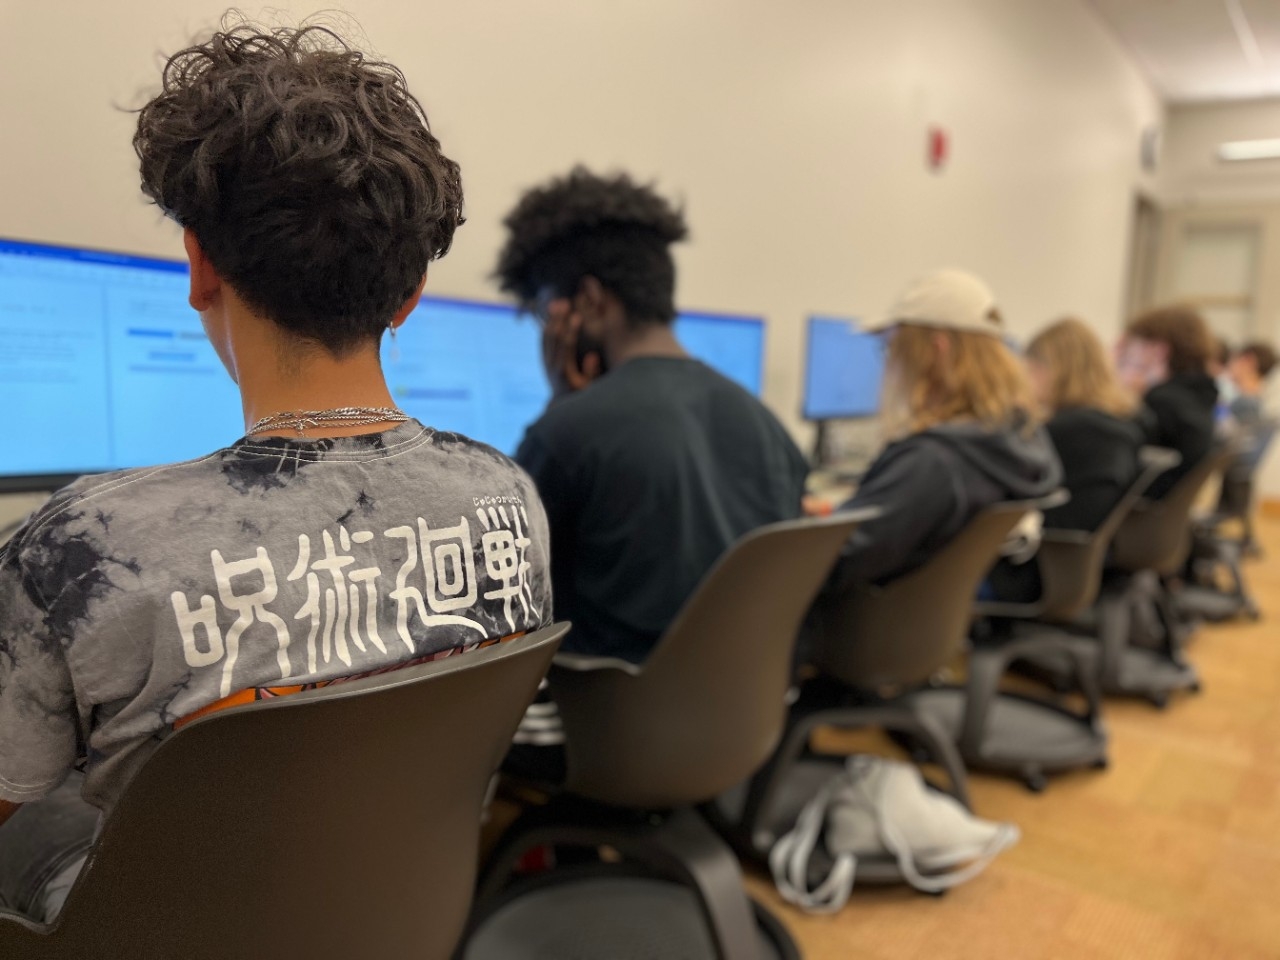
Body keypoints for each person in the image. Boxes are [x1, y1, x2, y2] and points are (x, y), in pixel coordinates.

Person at [0, 22, 551, 923]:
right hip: (390, 911)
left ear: (200, 267)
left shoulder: (76, 552)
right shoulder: (509, 499)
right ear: (410, 292)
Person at [494, 167, 809, 778]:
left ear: (586, 303)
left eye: (542, 313)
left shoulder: (569, 433)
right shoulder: (768, 426)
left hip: (612, 734)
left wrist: (562, 405)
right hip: (745, 719)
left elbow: (504, 602)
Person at [825, 269, 1061, 594]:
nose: (889, 364)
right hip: (923, 625)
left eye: (893, 348)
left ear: (937, 351)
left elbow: (831, 562)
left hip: (863, 626)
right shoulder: (1021, 435)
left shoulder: (932, 461)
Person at [989, 317, 1143, 602]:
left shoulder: (1064, 430)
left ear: (1052, 369)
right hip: (1069, 569)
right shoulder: (1120, 424)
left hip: (1029, 572)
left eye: (1029, 369)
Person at [1116, 305, 1218, 500]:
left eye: (1135, 343)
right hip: (1166, 514)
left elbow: (1118, 459)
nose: (1128, 352)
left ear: (1158, 350)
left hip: (1141, 510)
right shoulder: (1198, 395)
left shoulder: (1162, 403)